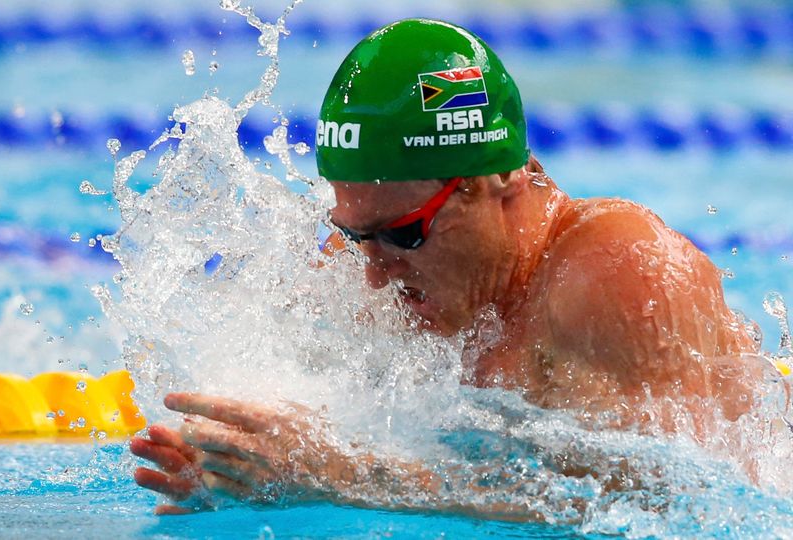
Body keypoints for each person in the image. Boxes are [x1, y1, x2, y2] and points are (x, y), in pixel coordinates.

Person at [130, 18, 762, 517]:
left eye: (404, 233)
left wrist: (352, 476)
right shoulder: (373, 267)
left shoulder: (618, 274)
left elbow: (674, 506)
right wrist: (241, 466)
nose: (373, 275)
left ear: (495, 181)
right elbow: (309, 432)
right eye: (353, 235)